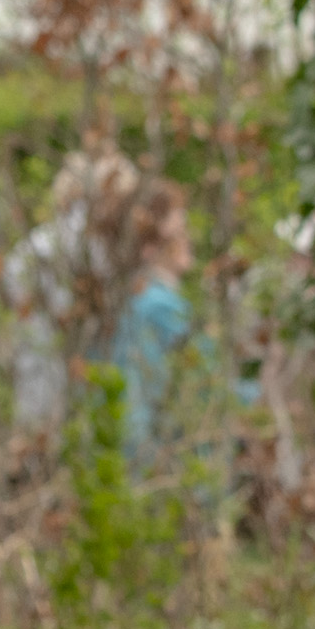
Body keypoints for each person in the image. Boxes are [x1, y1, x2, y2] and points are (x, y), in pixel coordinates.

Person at [107, 179, 194, 458]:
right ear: (151, 245)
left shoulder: (133, 294)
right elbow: (200, 377)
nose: (187, 240)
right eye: (179, 234)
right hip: (150, 445)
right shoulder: (158, 304)